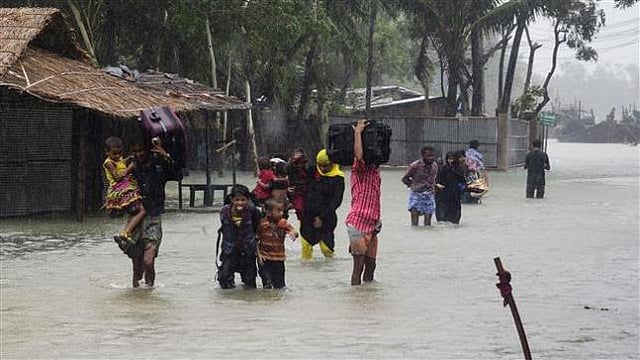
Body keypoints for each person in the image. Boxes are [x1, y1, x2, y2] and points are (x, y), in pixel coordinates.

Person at [127, 137, 180, 288]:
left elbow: (178, 175)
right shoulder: (132, 167)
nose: (138, 154)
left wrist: (166, 156)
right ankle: (139, 298)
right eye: (135, 151)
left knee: (148, 261)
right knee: (137, 266)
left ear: (148, 151)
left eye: (141, 151)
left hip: (153, 217)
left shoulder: (159, 166)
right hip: (135, 218)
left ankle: (150, 289)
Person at [346, 120, 381, 286]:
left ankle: (367, 298)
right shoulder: (359, 170)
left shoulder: (375, 171)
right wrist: (358, 133)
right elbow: (358, 156)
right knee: (358, 267)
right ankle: (356, 299)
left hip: (373, 223)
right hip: (358, 222)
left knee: (371, 266)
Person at [300, 149, 345, 259]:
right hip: (308, 216)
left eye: (325, 166)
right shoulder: (313, 171)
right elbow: (300, 180)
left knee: (326, 248)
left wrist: (321, 217)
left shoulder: (338, 179)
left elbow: (336, 202)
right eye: (320, 165)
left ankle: (330, 271)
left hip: (326, 218)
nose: (323, 168)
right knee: (306, 246)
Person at [102, 136, 146, 248]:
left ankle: (126, 232)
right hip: (120, 189)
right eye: (114, 154)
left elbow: (122, 162)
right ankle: (126, 232)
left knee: (135, 211)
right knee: (142, 210)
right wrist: (129, 169)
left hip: (127, 186)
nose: (117, 156)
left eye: (120, 153)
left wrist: (128, 159)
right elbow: (117, 177)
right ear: (107, 152)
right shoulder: (109, 163)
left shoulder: (119, 159)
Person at [217, 184, 261, 289]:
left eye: (243, 200)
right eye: (237, 200)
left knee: (249, 282)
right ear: (232, 199)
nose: (240, 203)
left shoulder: (253, 211)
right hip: (229, 250)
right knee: (224, 278)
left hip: (248, 250)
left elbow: (257, 228)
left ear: (248, 200)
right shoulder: (224, 212)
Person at [256, 199, 298, 289]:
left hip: (279, 259)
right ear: (268, 212)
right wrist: (259, 255)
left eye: (282, 210)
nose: (281, 213)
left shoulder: (283, 223)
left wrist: (293, 233)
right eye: (278, 211)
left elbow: (293, 230)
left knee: (280, 286)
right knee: (267, 284)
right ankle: (268, 301)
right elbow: (255, 240)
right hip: (265, 259)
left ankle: (278, 301)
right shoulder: (262, 224)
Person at [401, 145, 438, 226]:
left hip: (429, 194)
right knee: (415, 224)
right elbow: (405, 178)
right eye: (428, 156)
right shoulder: (415, 165)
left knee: (428, 224)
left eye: (432, 156)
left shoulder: (434, 166)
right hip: (416, 194)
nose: (431, 158)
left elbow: (433, 179)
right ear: (423, 156)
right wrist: (413, 185)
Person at [435, 151, 467, 224]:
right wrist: (438, 185)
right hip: (443, 196)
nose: (451, 161)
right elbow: (437, 180)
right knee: (442, 219)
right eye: (449, 159)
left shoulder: (460, 169)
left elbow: (463, 181)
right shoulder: (442, 169)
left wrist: (462, 188)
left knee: (455, 218)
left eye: (453, 159)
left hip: (455, 196)